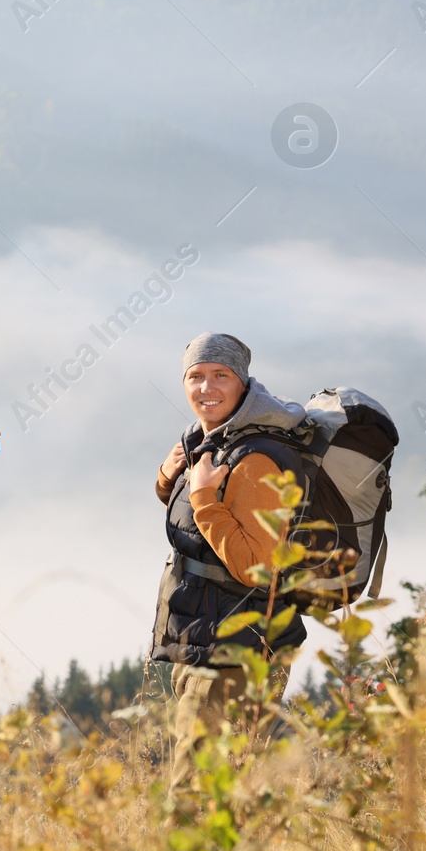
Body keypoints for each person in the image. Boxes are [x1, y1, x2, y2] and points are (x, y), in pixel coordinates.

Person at [150, 332, 308, 786]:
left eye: (221, 376)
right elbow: (191, 526)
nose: (206, 388)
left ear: (243, 383)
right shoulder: (210, 441)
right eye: (195, 376)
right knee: (227, 798)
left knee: (192, 800)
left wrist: (203, 498)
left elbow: (255, 566)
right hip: (205, 640)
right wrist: (169, 479)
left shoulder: (256, 458)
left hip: (236, 652)